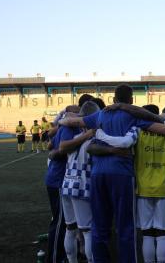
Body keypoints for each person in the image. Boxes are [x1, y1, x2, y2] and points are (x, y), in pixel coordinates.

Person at [58, 84, 165, 263]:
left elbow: (72, 122)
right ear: (131, 100)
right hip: (122, 174)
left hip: (98, 174)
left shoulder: (101, 114)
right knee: (125, 227)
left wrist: (60, 120)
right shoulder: (133, 115)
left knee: (99, 225)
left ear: (114, 99)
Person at [58, 101, 100, 263]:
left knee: (70, 228)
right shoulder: (93, 139)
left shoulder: (74, 136)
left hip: (67, 184)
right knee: (87, 230)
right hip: (82, 186)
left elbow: (62, 147)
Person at [46, 116, 81, 263]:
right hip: (60, 180)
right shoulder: (68, 128)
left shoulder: (68, 127)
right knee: (62, 224)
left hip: (63, 180)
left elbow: (50, 147)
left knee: (69, 224)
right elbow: (59, 149)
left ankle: (70, 254)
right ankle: (54, 258)